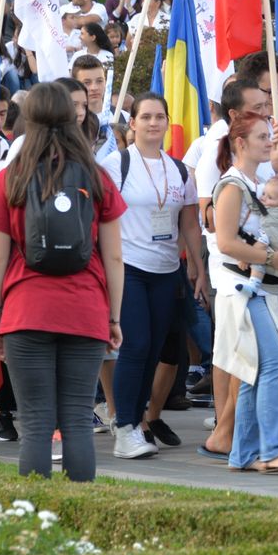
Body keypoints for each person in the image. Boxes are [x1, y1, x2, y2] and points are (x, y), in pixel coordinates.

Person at [0, 81, 126, 481]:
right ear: (71, 116)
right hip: (86, 309)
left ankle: (34, 522)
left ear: (28, 120)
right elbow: (114, 256)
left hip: (25, 311)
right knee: (78, 420)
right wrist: (113, 318)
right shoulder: (96, 177)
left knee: (36, 425)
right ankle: (81, 519)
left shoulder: (10, 178)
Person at [100, 93, 204, 459]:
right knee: (135, 345)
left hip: (166, 271)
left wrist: (198, 268)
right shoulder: (116, 165)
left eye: (160, 116)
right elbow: (102, 217)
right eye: (145, 116)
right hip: (128, 268)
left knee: (153, 352)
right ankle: (124, 425)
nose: (153, 123)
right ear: (133, 123)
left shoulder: (178, 170)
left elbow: (189, 223)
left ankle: (136, 419)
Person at [209, 112, 278, 473]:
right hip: (244, 291)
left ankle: (244, 454)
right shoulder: (232, 186)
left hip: (263, 289)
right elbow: (226, 242)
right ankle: (271, 450)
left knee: (253, 370)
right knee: (275, 364)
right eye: (262, 136)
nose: (269, 142)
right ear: (241, 143)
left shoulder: (255, 182)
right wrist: (271, 256)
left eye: (269, 135)